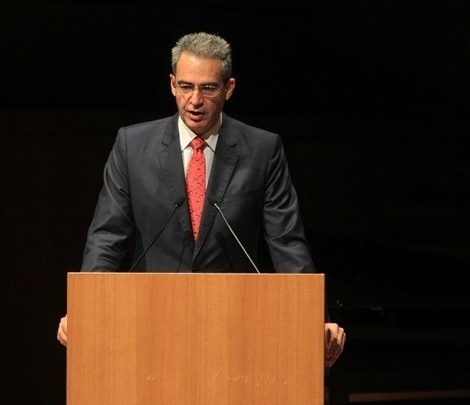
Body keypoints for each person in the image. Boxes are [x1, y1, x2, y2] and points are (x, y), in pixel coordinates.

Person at [57, 32, 345, 368]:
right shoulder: (131, 146)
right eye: (185, 86)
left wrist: (314, 320)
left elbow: (287, 242)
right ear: (172, 84)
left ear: (228, 88)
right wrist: (86, 309)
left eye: (207, 88)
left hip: (236, 325)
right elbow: (107, 237)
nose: (194, 100)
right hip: (150, 321)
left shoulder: (262, 151)